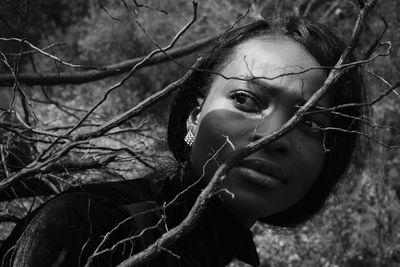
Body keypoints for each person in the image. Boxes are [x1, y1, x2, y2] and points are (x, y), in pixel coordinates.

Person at [0, 15, 366, 267]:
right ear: (195, 118)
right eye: (245, 99)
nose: (275, 135)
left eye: (311, 123)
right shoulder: (89, 224)